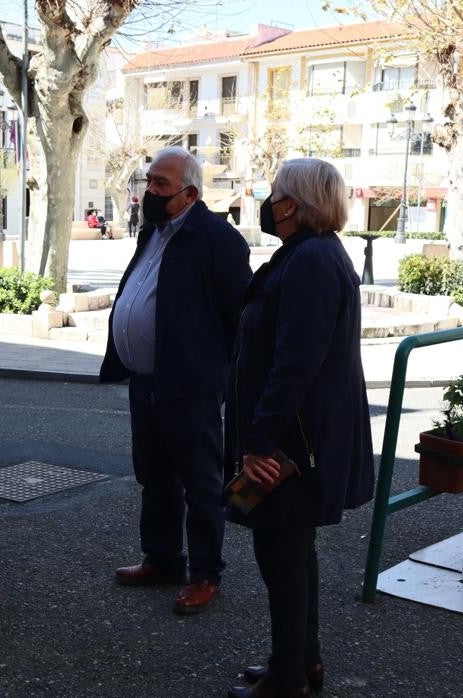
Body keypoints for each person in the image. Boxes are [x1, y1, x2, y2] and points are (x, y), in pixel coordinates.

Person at [224, 158, 374, 698]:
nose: (269, 201)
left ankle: (288, 677)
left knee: (281, 555)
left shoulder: (311, 261)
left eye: (276, 193)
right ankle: (300, 663)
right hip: (300, 437)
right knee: (293, 552)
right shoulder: (310, 254)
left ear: (296, 203)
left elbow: (294, 364)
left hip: (291, 443)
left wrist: (257, 442)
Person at [100, 146, 252, 614]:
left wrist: (215, 377)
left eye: (160, 185)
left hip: (190, 388)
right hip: (146, 383)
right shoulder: (153, 232)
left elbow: (240, 318)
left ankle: (205, 573)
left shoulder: (217, 239)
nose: (149, 191)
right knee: (155, 478)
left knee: (201, 483)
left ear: (188, 194)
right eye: (148, 182)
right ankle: (163, 558)